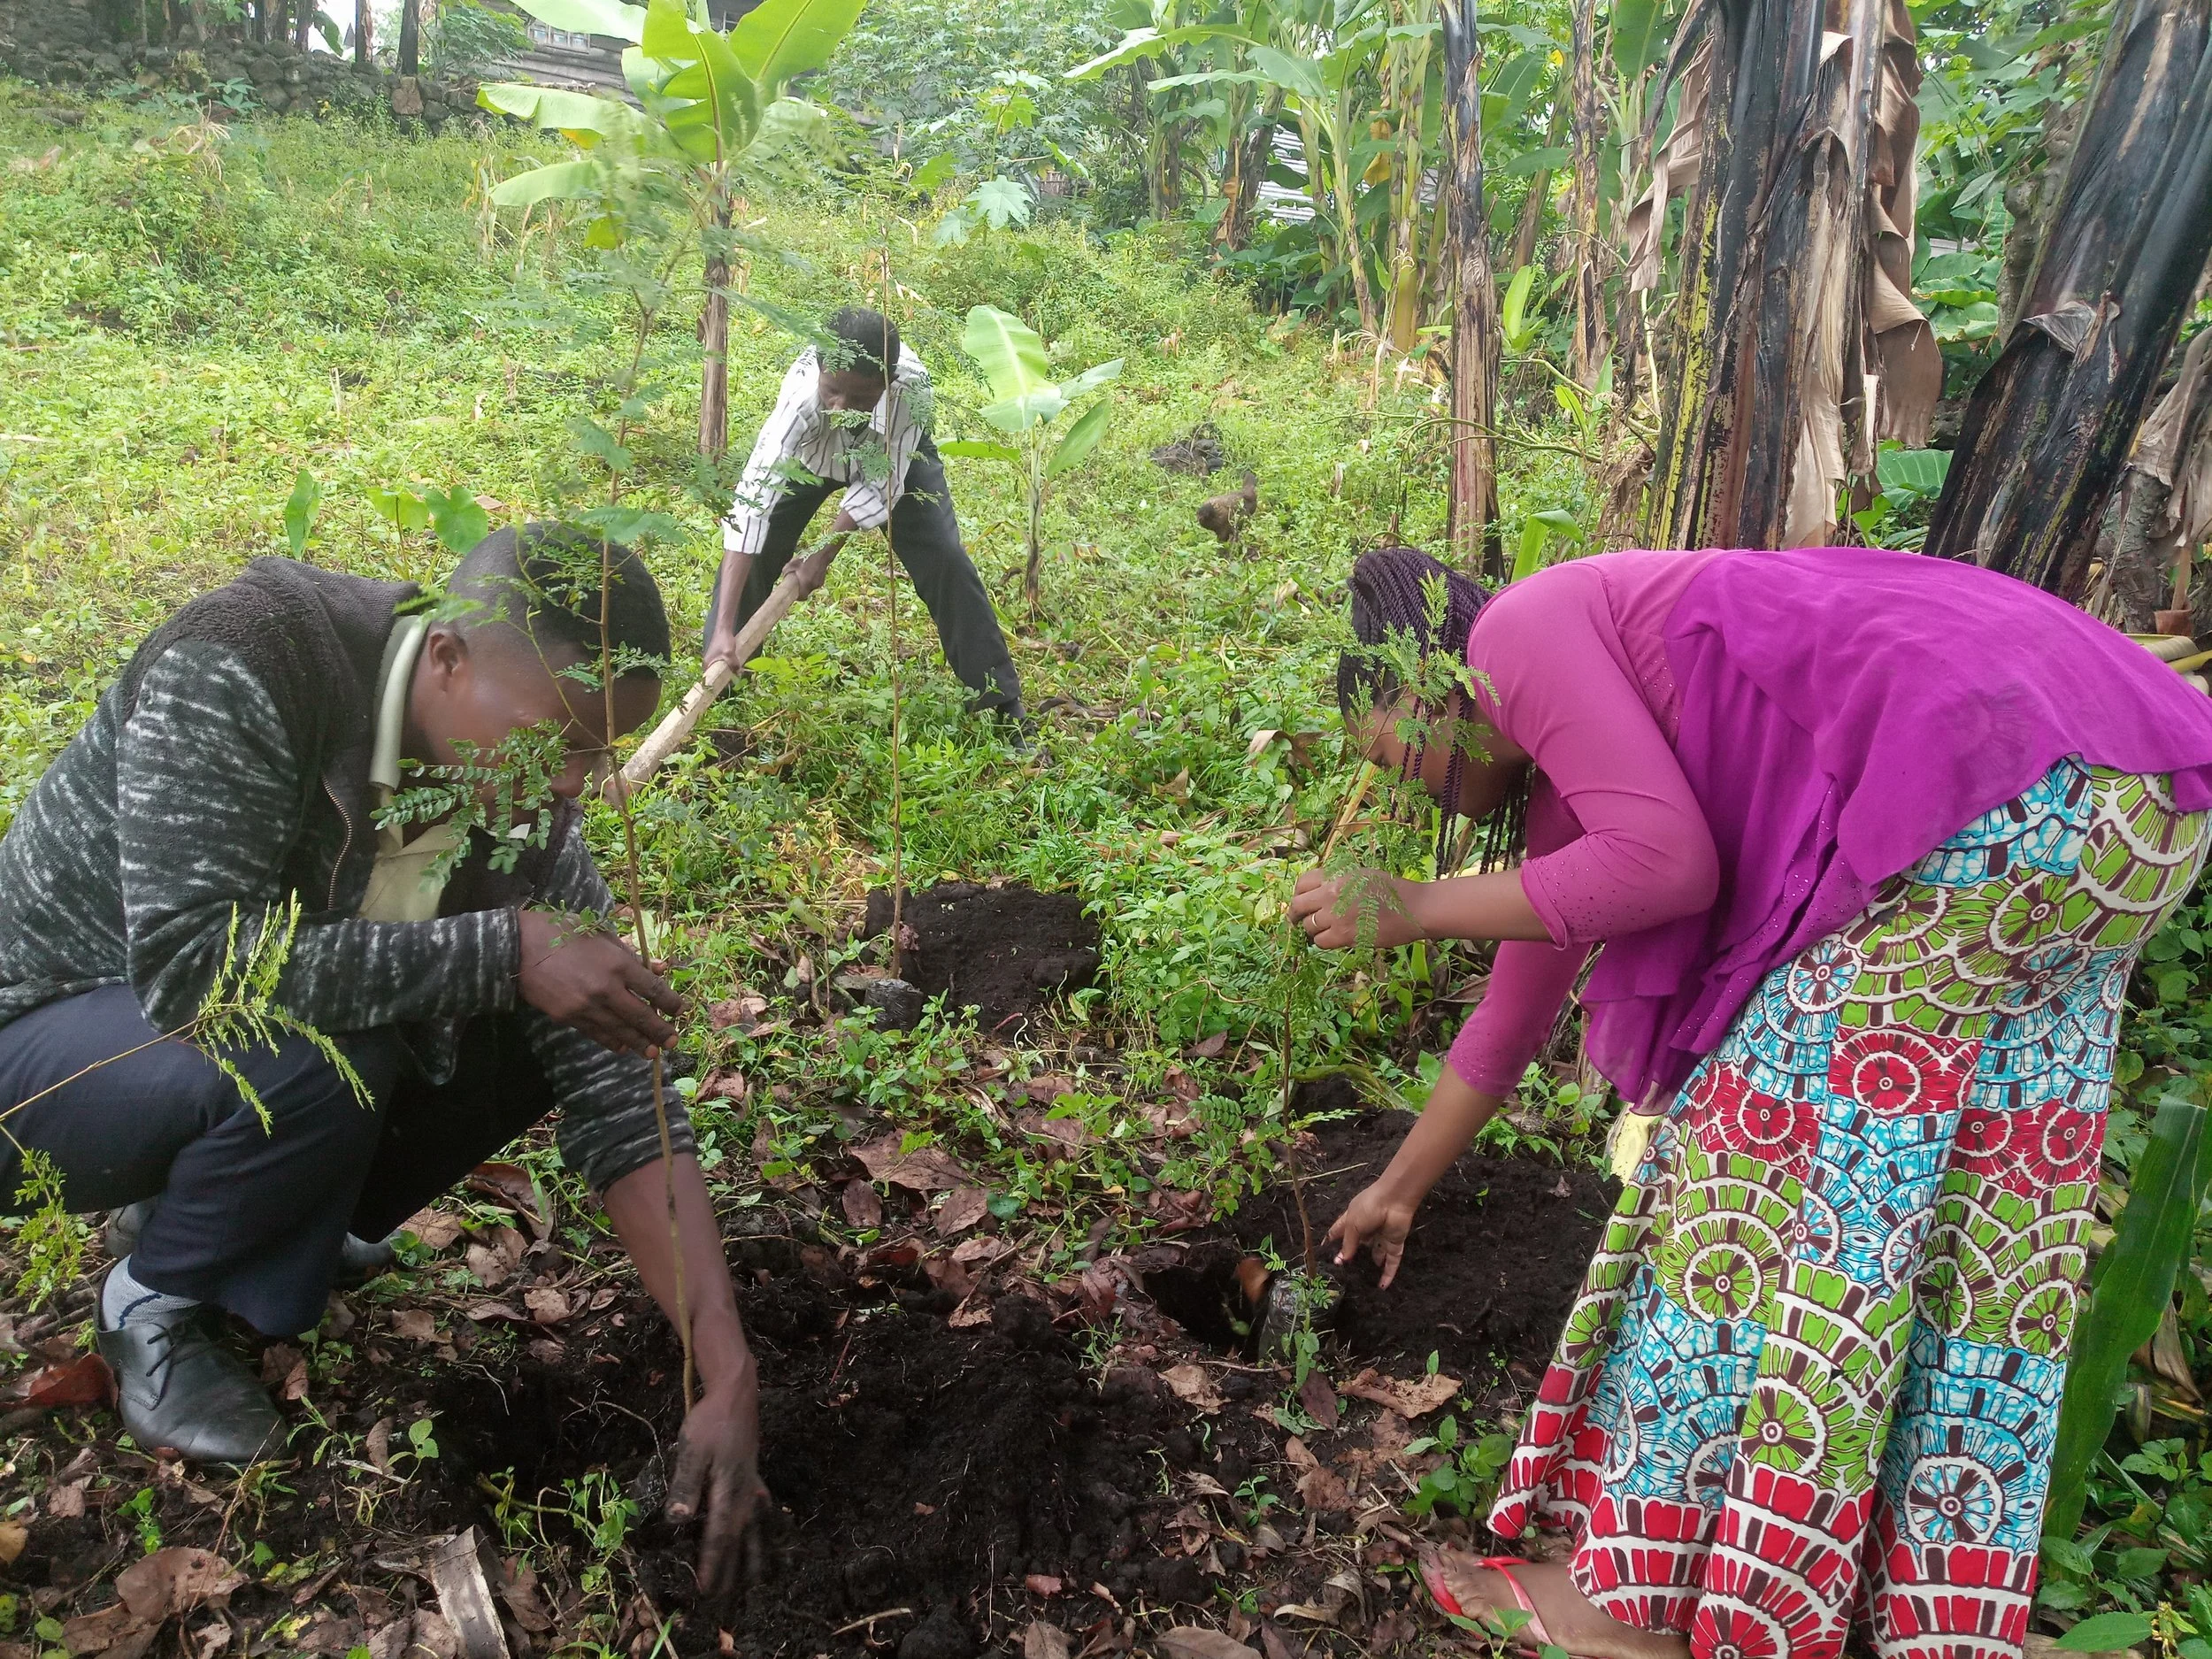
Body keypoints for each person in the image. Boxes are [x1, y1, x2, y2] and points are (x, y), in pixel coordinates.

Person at [1292, 544, 2212, 1659]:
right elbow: (1513, 1012)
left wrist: (1415, 903)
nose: (1403, 784)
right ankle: (1909, 1594)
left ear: (1416, 679)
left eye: (1385, 749)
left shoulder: (1515, 634)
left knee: (1740, 1185)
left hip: (1988, 803)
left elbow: (1665, 867)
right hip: (2139, 801)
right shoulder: (1592, 735)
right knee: (1976, 1217)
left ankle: (1626, 1609)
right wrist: (1396, 1189)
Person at [0, 527, 765, 1591]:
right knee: (350, 1038)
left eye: (601, 753)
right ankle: (157, 1299)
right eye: (561, 741)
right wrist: (502, 949)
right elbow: (192, 973)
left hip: (187, 1066)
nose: (578, 787)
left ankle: (258, 1214)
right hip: (39, 1050)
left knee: (574, 1006)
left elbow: (617, 1087)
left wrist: (723, 1367)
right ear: (446, 658)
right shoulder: (249, 665)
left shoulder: (521, 805)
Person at [704, 305, 1025, 723]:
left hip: (890, 457)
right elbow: (752, 501)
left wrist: (820, 559)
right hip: (811, 458)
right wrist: (724, 625)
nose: (840, 409)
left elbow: (881, 484)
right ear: (820, 371)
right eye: (832, 390)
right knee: (759, 550)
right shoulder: (801, 397)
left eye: (859, 398)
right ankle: (723, 684)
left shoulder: (911, 389)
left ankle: (1000, 702)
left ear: (887, 383)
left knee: (944, 557)